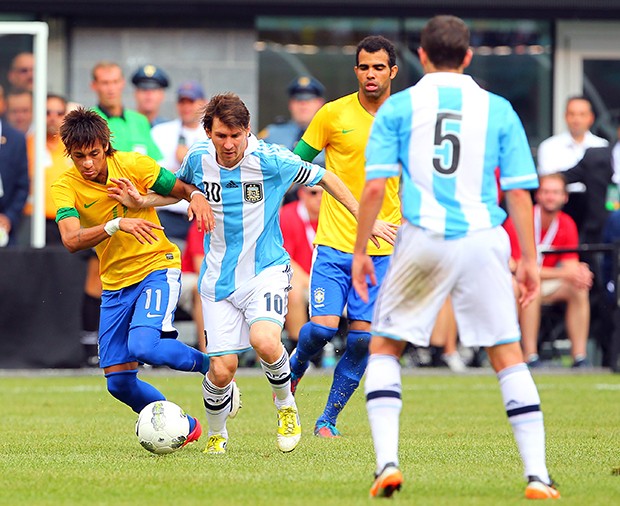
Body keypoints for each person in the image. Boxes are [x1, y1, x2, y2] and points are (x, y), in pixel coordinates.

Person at [112, 92, 395, 455]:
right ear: (208, 133)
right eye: (220, 136)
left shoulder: (271, 159)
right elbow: (182, 191)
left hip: (266, 271)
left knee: (265, 340)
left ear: (247, 130)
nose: (229, 145)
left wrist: (364, 219)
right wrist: (143, 201)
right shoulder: (199, 158)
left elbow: (327, 178)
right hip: (217, 280)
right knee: (222, 370)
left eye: (235, 135)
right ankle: (217, 434)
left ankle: (285, 408)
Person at [352, 15, 559, 499]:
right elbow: (521, 194)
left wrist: (362, 250)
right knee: (507, 354)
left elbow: (375, 186)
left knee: (385, 348)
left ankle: (386, 464)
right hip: (485, 238)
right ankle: (538, 476)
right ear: (468, 57)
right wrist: (529, 259)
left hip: (423, 238)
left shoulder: (398, 108)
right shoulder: (499, 109)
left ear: (421, 57)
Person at [51, 107, 220, 445]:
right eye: (79, 156)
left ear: (106, 146)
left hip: (156, 266)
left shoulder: (133, 165)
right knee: (119, 383)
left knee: (145, 345)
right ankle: (183, 425)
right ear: (69, 153)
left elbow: (181, 188)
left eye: (94, 154)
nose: (87, 163)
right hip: (114, 284)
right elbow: (70, 239)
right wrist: (116, 224)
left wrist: (197, 196)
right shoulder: (64, 186)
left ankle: (215, 368)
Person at [289, 35, 400, 438]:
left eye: (378, 67)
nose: (371, 74)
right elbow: (294, 161)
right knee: (320, 329)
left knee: (363, 339)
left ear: (393, 71)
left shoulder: (405, 118)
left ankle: (327, 420)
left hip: (385, 249)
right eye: (364, 67)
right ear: (356, 71)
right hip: (336, 242)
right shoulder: (332, 114)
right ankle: (294, 367)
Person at [506, 174, 593, 368]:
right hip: (518, 282)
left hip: (548, 281)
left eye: (555, 192)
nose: (550, 197)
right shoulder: (519, 220)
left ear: (565, 197)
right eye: (546, 192)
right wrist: (565, 273)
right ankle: (530, 355)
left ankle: (579, 357)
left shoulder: (567, 223)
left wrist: (580, 272)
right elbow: (518, 266)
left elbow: (570, 265)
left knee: (579, 287)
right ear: (537, 195)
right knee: (530, 288)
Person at [537, 96, 608, 232]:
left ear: (591, 118)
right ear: (565, 116)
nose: (577, 119)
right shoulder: (549, 146)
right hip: (559, 210)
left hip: (594, 213)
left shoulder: (602, 147)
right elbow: (548, 183)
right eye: (572, 114)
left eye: (582, 114)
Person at [151, 81, 208, 249]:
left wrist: (186, 161)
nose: (186, 107)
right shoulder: (161, 132)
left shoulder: (210, 134)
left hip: (202, 214)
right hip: (170, 214)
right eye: (182, 102)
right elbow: (154, 173)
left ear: (203, 103)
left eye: (191, 101)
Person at [259, 76, 326, 203]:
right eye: (298, 100)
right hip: (279, 205)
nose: (303, 105)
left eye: (309, 100)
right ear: (290, 104)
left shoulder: (331, 134)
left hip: (319, 204)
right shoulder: (272, 133)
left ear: (320, 103)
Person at [19, 94, 73, 246]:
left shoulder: (74, 146)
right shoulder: (27, 144)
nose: (53, 117)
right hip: (34, 221)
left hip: (68, 220)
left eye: (59, 113)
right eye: (47, 112)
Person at [279, 184, 323, 348]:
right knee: (294, 291)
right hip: (300, 279)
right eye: (313, 193)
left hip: (329, 277)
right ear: (302, 193)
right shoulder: (288, 215)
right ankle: (300, 349)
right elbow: (285, 258)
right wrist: (310, 281)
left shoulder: (335, 216)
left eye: (325, 193)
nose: (320, 197)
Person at [90, 61, 162, 159]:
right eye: (105, 83)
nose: (111, 89)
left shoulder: (140, 120)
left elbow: (156, 162)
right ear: (94, 85)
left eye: (115, 82)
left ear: (122, 83)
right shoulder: (87, 122)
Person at [0, 85, 29, 247]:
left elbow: (22, 184)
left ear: (3, 103)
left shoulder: (16, 138)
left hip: (7, 227)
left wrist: (9, 216)